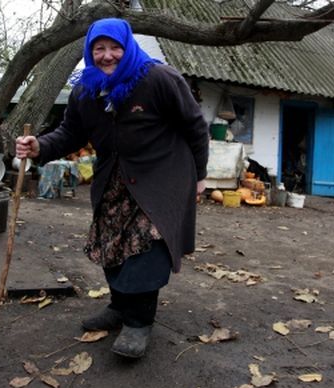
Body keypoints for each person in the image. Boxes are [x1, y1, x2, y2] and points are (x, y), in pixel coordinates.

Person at [15, 18, 209, 358]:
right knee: (113, 243)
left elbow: (195, 127)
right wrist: (38, 147)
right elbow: (69, 134)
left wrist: (201, 175)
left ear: (128, 46)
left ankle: (139, 323)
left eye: (114, 47)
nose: (107, 56)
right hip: (113, 180)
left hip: (161, 178)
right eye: (98, 48)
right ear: (89, 53)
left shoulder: (159, 79)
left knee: (147, 247)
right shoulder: (85, 91)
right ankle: (120, 307)